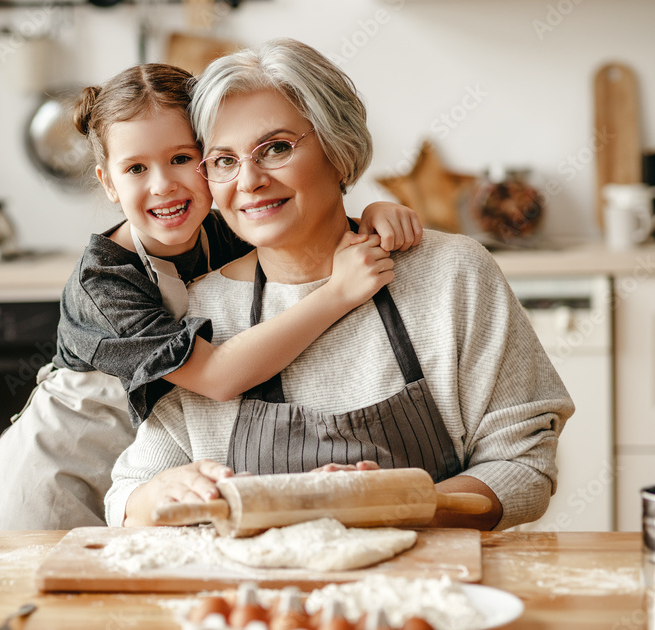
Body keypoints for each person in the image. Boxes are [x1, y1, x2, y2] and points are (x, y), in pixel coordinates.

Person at [107, 39, 574, 532]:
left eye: (278, 148)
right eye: (224, 160)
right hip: (262, 603)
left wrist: (400, 502)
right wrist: (154, 496)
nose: (250, 180)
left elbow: (524, 465)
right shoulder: (202, 309)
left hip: (432, 594)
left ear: (339, 150)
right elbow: (128, 496)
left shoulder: (452, 275)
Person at [0, 63, 422, 531]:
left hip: (147, 465)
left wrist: (370, 214)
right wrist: (338, 294)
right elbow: (217, 376)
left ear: (212, 160)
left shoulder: (225, 232)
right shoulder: (103, 284)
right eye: (136, 168)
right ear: (109, 182)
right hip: (57, 469)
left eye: (180, 159)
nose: (163, 186)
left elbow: (306, 223)